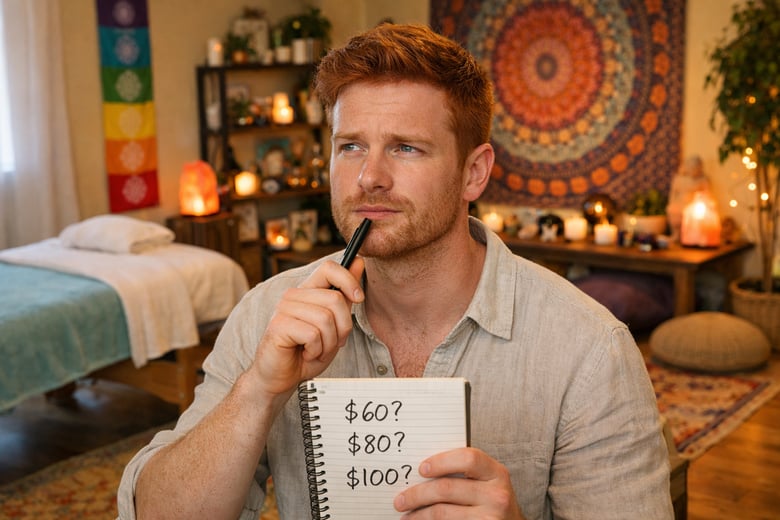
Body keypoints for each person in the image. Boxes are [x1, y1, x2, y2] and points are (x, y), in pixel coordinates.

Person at [117, 23, 672, 519]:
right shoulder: (267, 314)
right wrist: (258, 392)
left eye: (405, 148)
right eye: (350, 146)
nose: (369, 177)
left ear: (474, 173)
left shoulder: (588, 350)